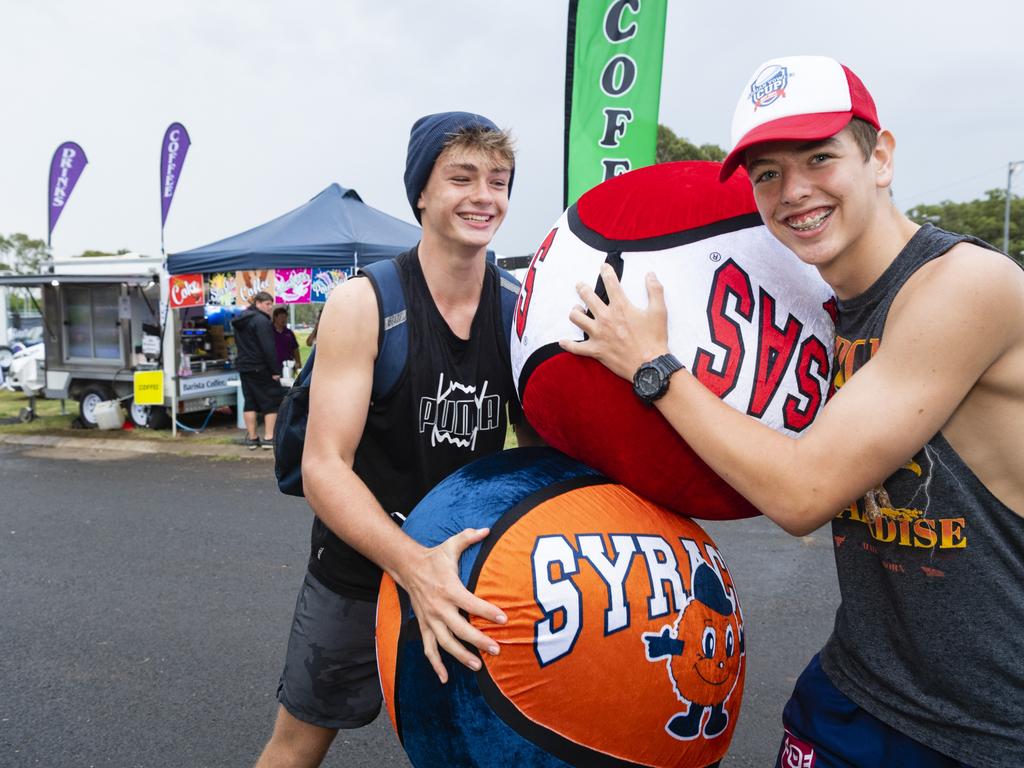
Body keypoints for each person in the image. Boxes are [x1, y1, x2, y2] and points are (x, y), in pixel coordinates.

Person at [563, 55, 1024, 767]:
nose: (794, 191)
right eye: (767, 172)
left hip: (981, 726)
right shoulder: (822, 309)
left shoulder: (967, 285)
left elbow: (803, 492)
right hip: (856, 688)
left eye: (819, 157)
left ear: (881, 158)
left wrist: (654, 366)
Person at [254, 112, 526, 768]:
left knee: (482, 748)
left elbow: (553, 454)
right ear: (422, 194)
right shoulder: (365, 302)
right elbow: (323, 468)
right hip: (359, 568)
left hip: (469, 576)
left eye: (498, 179)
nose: (484, 195)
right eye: (461, 177)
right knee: (297, 745)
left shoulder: (518, 308)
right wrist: (411, 566)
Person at [232, 291, 282, 450]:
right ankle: (269, 437)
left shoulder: (241, 319)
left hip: (244, 366)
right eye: (267, 304)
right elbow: (268, 347)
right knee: (271, 402)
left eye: (271, 304)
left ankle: (252, 438)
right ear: (258, 303)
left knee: (250, 402)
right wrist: (275, 370)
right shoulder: (261, 321)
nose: (270, 308)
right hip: (260, 367)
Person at [271, 306, 302, 371]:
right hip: (272, 366)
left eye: (285, 317)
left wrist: (298, 362)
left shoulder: (289, 333)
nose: (284, 320)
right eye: (281, 317)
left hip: (288, 365)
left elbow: (295, 348)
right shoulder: (269, 331)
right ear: (275, 317)